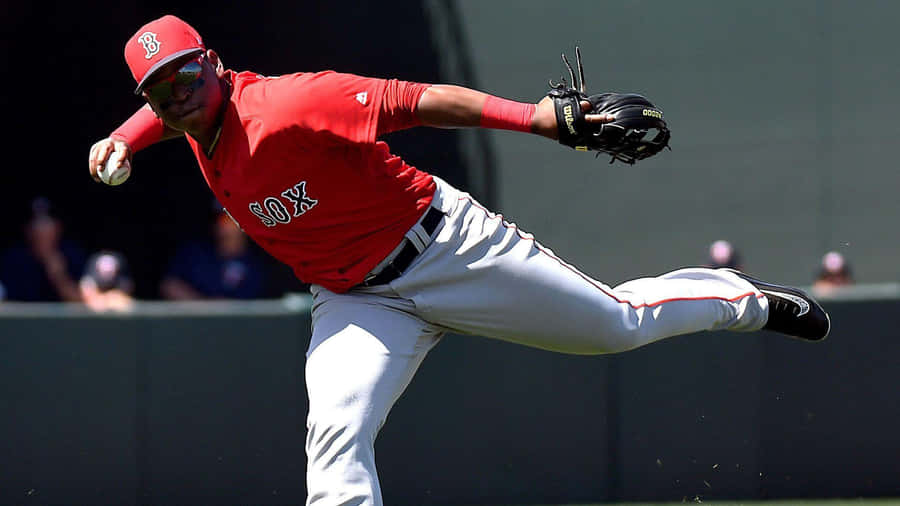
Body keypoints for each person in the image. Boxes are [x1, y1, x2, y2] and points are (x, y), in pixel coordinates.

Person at [88, 15, 830, 505]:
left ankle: (741, 299)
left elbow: (419, 99)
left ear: (215, 64)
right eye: (160, 90)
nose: (178, 97)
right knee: (335, 436)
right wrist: (125, 135)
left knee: (617, 325)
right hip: (356, 299)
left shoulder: (286, 104)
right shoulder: (185, 114)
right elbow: (166, 108)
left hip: (445, 247)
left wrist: (535, 119)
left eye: (187, 77)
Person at [160, 207, 266, 300]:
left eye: (229, 220)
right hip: (192, 319)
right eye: (219, 220)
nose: (223, 226)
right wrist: (205, 306)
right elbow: (169, 285)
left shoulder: (255, 263)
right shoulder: (196, 253)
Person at [0, 197, 86, 302]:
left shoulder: (72, 254)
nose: (41, 230)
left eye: (46, 223)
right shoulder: (13, 258)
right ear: (26, 229)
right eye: (36, 223)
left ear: (58, 227)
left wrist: (59, 276)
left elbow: (83, 303)